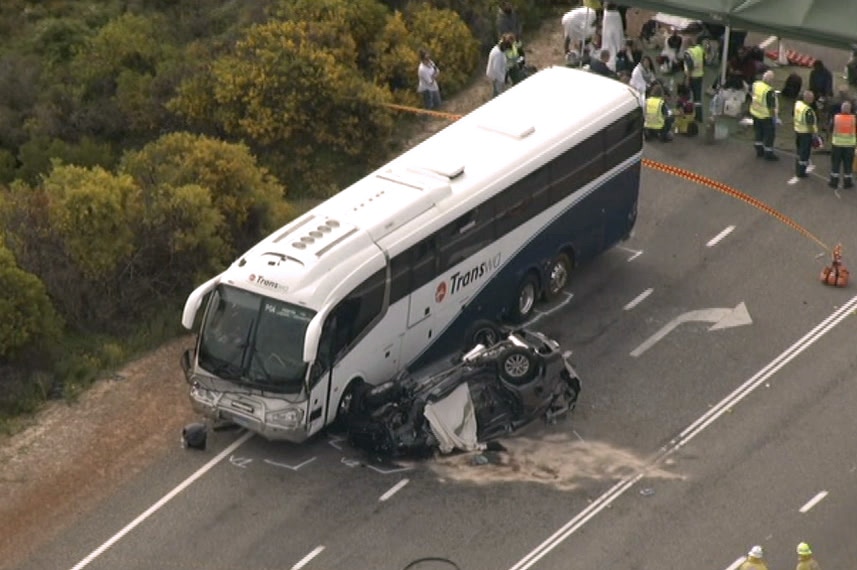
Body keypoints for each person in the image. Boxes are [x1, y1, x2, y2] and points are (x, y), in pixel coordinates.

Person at [750, 70, 779, 160]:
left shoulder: (756, 84)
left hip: (755, 113)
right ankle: (768, 153)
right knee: (769, 135)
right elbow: (771, 107)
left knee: (758, 132)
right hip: (766, 117)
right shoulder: (769, 91)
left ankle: (759, 149)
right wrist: (774, 118)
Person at [829, 100, 856, 189]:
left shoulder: (836, 118)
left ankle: (833, 182)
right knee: (848, 165)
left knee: (835, 164)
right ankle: (847, 183)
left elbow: (830, 129)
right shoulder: (854, 119)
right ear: (850, 110)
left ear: (841, 109)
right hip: (849, 146)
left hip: (837, 145)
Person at [793, 91, 817, 178]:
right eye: (811, 98)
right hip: (805, 134)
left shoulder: (798, 104)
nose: (813, 100)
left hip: (798, 130)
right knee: (804, 153)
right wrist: (814, 134)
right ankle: (801, 172)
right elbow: (810, 125)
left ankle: (797, 168)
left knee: (799, 151)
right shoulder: (808, 110)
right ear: (807, 98)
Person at [683, 35, 706, 122]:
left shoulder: (688, 53)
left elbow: (689, 67)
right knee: (698, 98)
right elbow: (704, 60)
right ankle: (699, 117)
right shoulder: (699, 49)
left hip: (691, 77)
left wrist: (687, 80)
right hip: (699, 76)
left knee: (686, 97)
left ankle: (686, 115)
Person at [601, 3, 624, 67]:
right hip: (612, 15)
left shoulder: (607, 14)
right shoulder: (612, 15)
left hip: (610, 15)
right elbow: (618, 34)